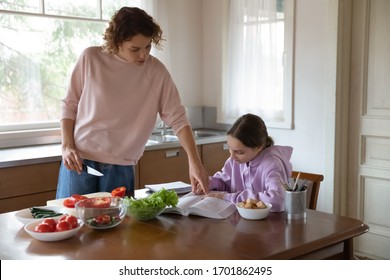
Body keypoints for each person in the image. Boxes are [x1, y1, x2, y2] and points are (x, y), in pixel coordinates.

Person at [56, 7, 209, 199]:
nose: (143, 55)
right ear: (117, 41)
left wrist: (195, 162)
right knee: (71, 223)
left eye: (148, 47)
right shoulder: (91, 58)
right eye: (135, 49)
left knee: (118, 228)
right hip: (79, 161)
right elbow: (70, 105)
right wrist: (67, 146)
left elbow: (178, 118)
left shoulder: (156, 72)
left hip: (121, 167)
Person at [204, 113, 293, 212]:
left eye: (239, 152)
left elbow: (277, 200)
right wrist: (209, 183)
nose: (232, 156)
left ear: (259, 147)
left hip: (268, 223)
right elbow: (225, 182)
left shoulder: (272, 164)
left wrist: (228, 197)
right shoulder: (234, 161)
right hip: (239, 219)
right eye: (229, 148)